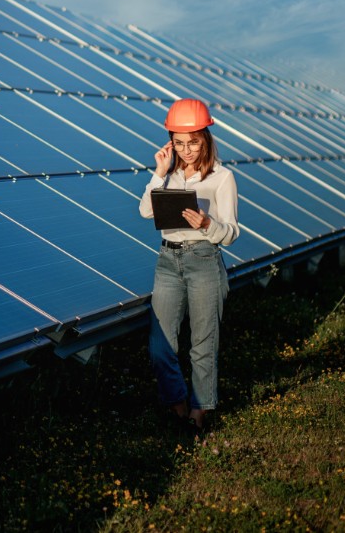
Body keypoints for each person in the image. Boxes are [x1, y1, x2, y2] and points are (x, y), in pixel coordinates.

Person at [139, 98, 239, 437]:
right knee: (160, 345)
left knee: (203, 342)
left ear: (206, 138)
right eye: (179, 143)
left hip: (204, 260)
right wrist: (159, 173)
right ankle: (177, 407)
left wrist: (208, 223)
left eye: (193, 142)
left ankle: (197, 415)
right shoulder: (168, 176)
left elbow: (231, 233)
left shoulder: (222, 178)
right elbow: (145, 212)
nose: (187, 150)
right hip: (167, 261)